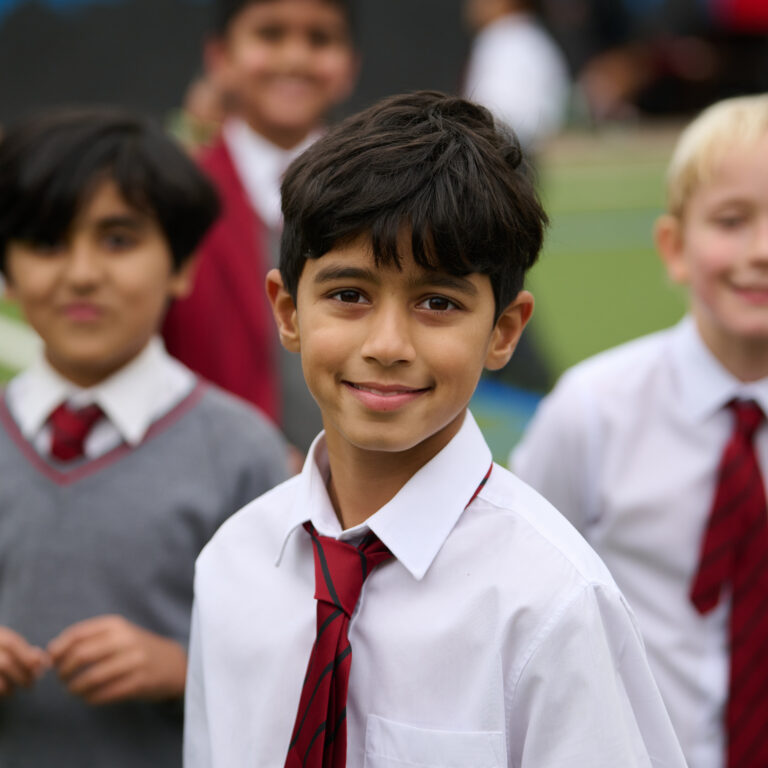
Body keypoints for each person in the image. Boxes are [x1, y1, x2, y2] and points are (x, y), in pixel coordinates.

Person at [184, 91, 687, 767]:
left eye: (438, 302)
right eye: (349, 294)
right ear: (288, 310)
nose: (388, 343)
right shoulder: (232, 566)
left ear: (504, 331)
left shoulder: (550, 602)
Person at [0, 110, 290, 767]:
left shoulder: (240, 450)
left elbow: (294, 664)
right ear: (8, 274)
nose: (80, 273)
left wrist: (182, 667)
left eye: (118, 239)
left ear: (182, 265)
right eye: (47, 242)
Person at [511, 94, 768, 768]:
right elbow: (520, 584)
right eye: (732, 220)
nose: (761, 250)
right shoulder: (593, 410)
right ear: (674, 247)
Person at [162, 0, 358, 459]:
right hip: (212, 490)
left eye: (320, 39)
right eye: (270, 35)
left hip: (366, 498)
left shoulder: (392, 199)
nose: (295, 58)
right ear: (220, 59)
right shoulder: (172, 200)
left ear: (349, 64)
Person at [462, 0, 570, 151]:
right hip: (525, 147)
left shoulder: (504, 37)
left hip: (511, 149)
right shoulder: (528, 35)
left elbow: (496, 111)